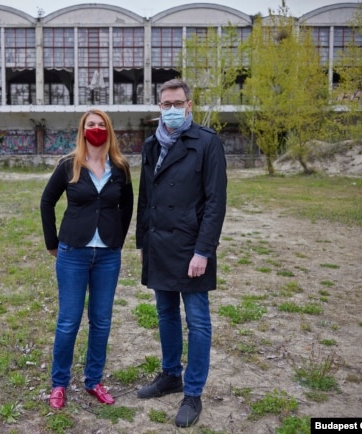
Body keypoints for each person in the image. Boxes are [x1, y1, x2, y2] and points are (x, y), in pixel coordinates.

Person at [135, 79, 227, 428]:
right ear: (159, 106)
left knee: (198, 321)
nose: (171, 110)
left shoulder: (207, 142)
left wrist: (203, 250)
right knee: (165, 313)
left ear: (189, 104)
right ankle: (171, 374)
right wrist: (143, 242)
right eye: (165, 104)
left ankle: (193, 392)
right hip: (159, 244)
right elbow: (146, 199)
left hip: (192, 248)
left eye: (177, 103)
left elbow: (215, 203)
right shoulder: (150, 145)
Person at [40, 109, 134, 409]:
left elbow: (127, 206)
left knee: (102, 321)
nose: (96, 128)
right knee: (69, 321)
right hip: (73, 253)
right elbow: (46, 201)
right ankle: (59, 384)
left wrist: (118, 240)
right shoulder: (69, 164)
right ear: (82, 130)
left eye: (101, 124)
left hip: (107, 255)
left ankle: (94, 380)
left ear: (109, 129)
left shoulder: (120, 166)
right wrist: (52, 243)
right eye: (90, 124)